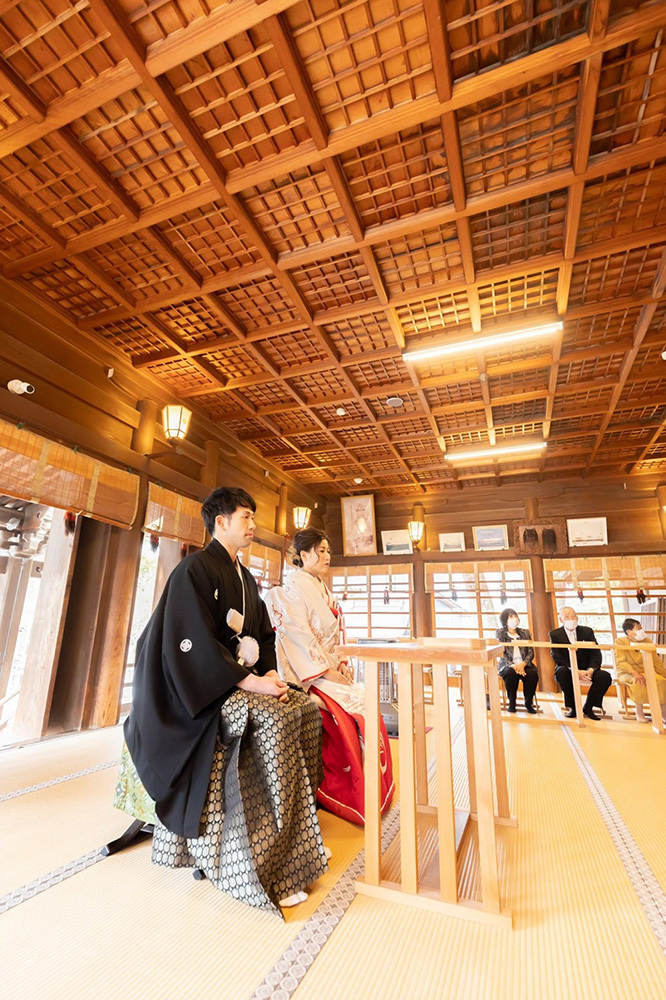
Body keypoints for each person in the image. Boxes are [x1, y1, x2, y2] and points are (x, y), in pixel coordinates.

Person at [124, 487, 327, 915]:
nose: (253, 526)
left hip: (237, 681)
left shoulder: (243, 577)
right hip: (196, 691)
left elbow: (264, 634)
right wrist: (248, 683)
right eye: (246, 518)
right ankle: (264, 864)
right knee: (271, 724)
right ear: (221, 522)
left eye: (252, 518)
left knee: (307, 711)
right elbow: (191, 643)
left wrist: (269, 672)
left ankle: (296, 837)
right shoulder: (195, 569)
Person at [264, 527, 394, 825]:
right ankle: (346, 792)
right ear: (303, 555)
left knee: (366, 704)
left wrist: (343, 661)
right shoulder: (290, 591)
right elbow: (297, 640)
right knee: (351, 714)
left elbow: (338, 633)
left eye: (327, 550)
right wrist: (327, 672)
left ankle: (374, 790)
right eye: (320, 551)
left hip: (331, 669)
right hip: (307, 675)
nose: (326, 556)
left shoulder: (322, 588)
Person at [549, 607, 612, 720]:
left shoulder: (587, 631)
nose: (571, 619)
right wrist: (575, 670)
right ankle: (573, 707)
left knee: (605, 676)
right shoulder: (555, 634)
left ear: (577, 617)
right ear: (561, 619)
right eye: (567, 617)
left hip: (587, 667)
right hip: (568, 668)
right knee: (561, 673)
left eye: (573, 616)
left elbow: (595, 652)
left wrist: (590, 669)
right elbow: (557, 656)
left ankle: (589, 706)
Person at [615, 618, 666, 724]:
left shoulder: (647, 641)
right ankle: (639, 712)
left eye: (641, 628)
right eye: (638, 629)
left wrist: (664, 674)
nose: (641, 631)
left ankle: (663, 713)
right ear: (629, 632)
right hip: (627, 672)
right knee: (638, 681)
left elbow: (656, 661)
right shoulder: (620, 642)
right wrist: (634, 672)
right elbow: (621, 662)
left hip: (646, 671)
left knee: (661, 681)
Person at [495, 608, 538, 714]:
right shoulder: (500, 633)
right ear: (505, 620)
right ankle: (512, 702)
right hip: (507, 665)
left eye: (515, 616)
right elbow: (501, 653)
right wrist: (514, 665)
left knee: (532, 674)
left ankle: (528, 703)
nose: (514, 619)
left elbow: (530, 651)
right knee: (510, 674)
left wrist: (523, 664)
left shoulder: (525, 632)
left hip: (524, 664)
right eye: (510, 617)